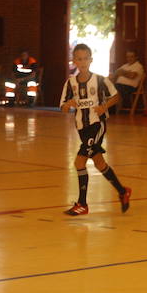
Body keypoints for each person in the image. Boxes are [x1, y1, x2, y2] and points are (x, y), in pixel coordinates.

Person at [60, 44, 131, 216]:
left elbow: (116, 96)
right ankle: (123, 191)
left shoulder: (100, 80)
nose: (82, 62)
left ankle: (82, 204)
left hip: (97, 125)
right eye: (79, 58)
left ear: (91, 60)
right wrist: (68, 105)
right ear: (74, 61)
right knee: (99, 163)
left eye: (85, 58)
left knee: (79, 162)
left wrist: (104, 106)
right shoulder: (70, 83)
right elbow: (62, 107)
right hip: (81, 128)